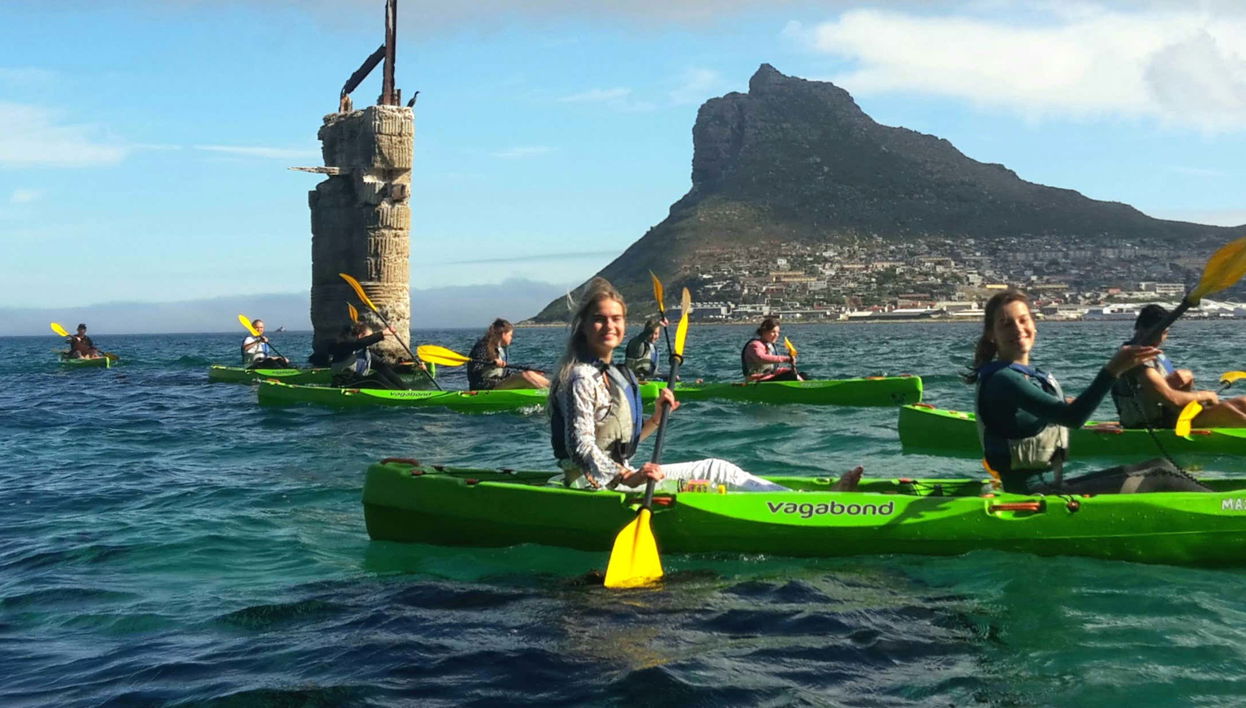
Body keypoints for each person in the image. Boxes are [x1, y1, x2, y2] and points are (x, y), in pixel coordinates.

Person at [548, 277, 795, 493]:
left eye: (617, 318)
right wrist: (628, 477)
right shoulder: (581, 376)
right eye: (599, 319)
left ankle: (797, 500)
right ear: (584, 327)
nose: (610, 325)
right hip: (590, 484)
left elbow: (620, 445)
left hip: (614, 479)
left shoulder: (612, 374)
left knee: (718, 472)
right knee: (716, 469)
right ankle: (805, 505)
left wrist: (656, 417)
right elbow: (580, 446)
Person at [969, 290, 1211, 495]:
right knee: (1161, 472)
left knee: (1159, 465)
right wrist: (1113, 370)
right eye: (1006, 324)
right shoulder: (1004, 379)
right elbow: (1073, 416)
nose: (1018, 329)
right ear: (991, 335)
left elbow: (1054, 415)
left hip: (1047, 485)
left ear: (1034, 325)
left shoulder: (1023, 375)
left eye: (1023, 320)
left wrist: (1090, 424)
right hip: (1033, 492)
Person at [1111, 304, 1246, 428]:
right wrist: (1205, 396)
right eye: (1157, 332)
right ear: (1140, 328)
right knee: (1227, 411)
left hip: (1172, 415)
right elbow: (1172, 399)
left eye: (1164, 333)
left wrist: (1186, 385)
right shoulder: (1134, 360)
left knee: (1243, 402)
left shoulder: (1154, 354)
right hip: (1152, 425)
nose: (1160, 339)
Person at [467, 319, 550, 390]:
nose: (511, 338)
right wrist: (493, 363)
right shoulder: (482, 347)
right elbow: (474, 370)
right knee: (525, 376)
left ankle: (555, 389)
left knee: (529, 373)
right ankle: (550, 395)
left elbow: (506, 373)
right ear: (503, 334)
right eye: (510, 335)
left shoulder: (500, 349)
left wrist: (529, 373)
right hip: (485, 387)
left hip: (499, 383)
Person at [329, 322, 408, 389]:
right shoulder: (345, 346)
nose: (371, 341)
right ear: (360, 336)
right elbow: (359, 343)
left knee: (382, 367)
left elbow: (384, 366)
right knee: (376, 377)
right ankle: (396, 394)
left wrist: (406, 367)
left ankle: (404, 391)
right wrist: (382, 334)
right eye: (369, 336)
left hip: (358, 381)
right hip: (343, 383)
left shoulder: (366, 354)